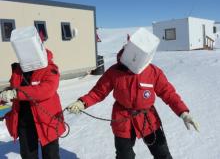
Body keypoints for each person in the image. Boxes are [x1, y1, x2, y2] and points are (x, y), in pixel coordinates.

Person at [66, 28, 199, 159]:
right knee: (124, 156)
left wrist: (183, 112)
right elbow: (98, 92)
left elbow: (168, 93)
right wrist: (82, 102)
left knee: (162, 153)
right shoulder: (114, 72)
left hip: (148, 118)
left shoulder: (153, 72)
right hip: (122, 119)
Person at [0, 26, 65, 159]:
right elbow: (12, 89)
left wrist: (16, 93)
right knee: (28, 155)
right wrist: (4, 96)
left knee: (51, 155)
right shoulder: (19, 70)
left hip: (47, 121)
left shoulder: (50, 69)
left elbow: (46, 90)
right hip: (24, 121)